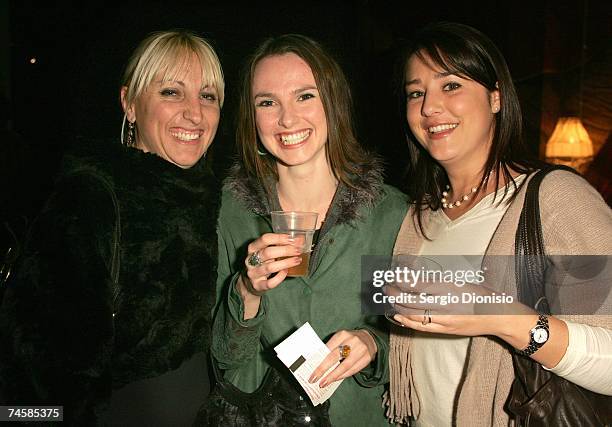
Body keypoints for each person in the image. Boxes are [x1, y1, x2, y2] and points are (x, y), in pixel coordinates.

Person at [385, 22, 612, 426]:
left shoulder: (556, 198)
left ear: (495, 98)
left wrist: (500, 316)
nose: (429, 107)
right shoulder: (417, 216)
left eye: (450, 85)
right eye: (416, 92)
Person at [0, 30, 225, 425]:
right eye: (171, 92)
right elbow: (31, 383)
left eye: (208, 96)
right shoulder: (90, 199)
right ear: (130, 104)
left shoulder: (212, 202)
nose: (195, 113)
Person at [209, 34, 408, 426]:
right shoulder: (231, 211)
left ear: (333, 103)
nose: (286, 118)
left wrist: (372, 343)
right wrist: (248, 291)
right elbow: (223, 359)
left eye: (304, 96)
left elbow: (416, 344)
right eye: (267, 102)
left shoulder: (389, 213)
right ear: (252, 118)